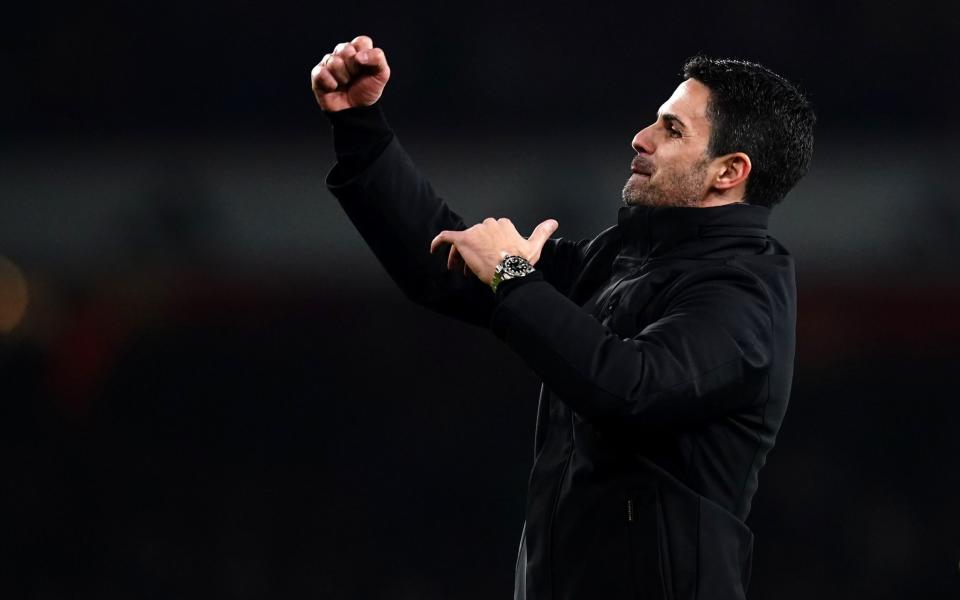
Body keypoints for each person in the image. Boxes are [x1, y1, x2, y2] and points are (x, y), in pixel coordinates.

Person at [311, 35, 814, 600]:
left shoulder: (744, 296)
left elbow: (633, 387)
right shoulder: (619, 258)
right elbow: (447, 265)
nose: (641, 138)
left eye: (672, 130)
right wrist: (360, 130)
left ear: (729, 171)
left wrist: (515, 277)